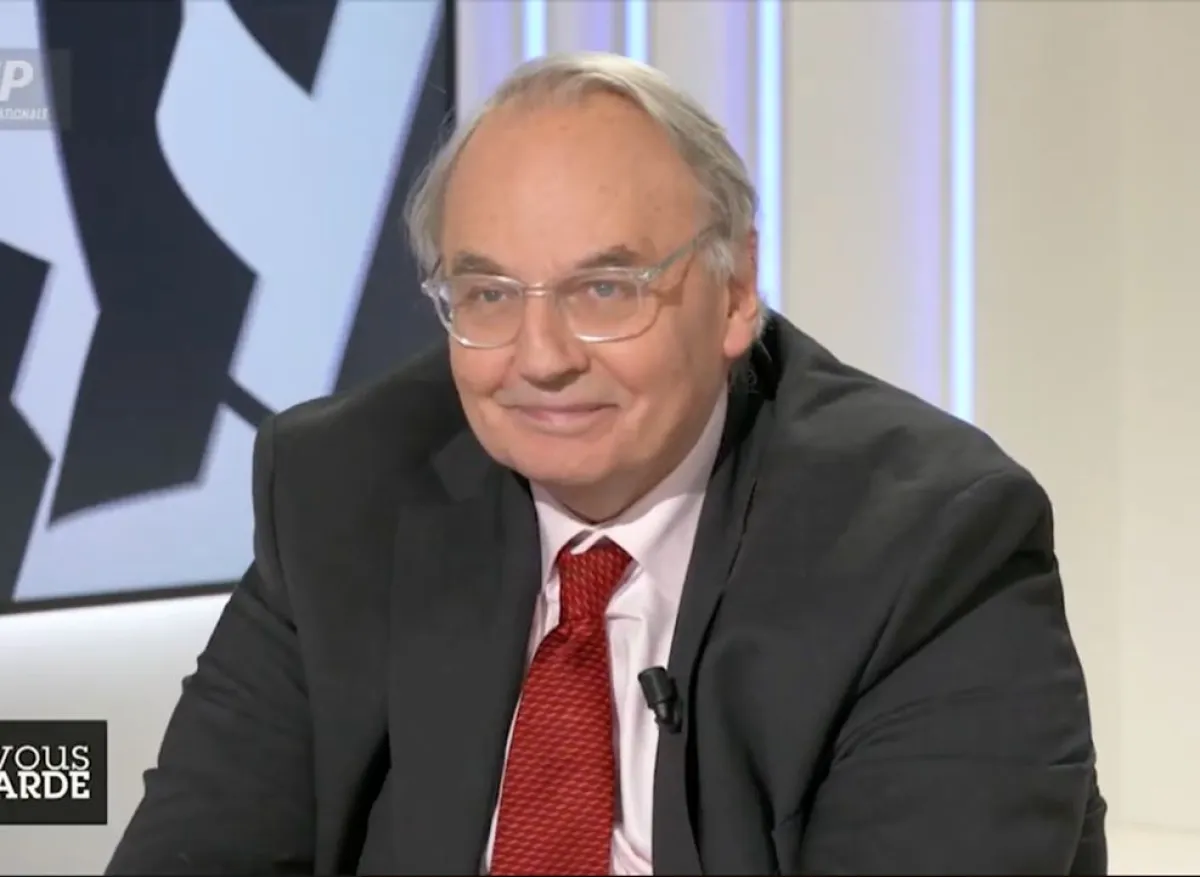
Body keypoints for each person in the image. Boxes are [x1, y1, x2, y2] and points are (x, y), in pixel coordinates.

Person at [106, 51, 1107, 876]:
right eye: (489, 295)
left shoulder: (930, 545)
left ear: (735, 292)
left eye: (605, 289)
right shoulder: (342, 488)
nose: (541, 358)